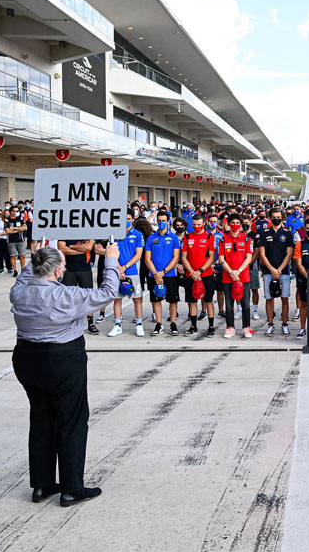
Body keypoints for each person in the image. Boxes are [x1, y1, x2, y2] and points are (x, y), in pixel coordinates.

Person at [10, 243, 120, 507]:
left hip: (27, 358)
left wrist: (35, 257)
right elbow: (108, 292)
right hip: (62, 358)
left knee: (41, 419)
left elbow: (25, 277)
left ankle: (42, 483)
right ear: (59, 271)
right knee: (71, 421)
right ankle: (72, 488)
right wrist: (111, 261)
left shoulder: (19, 292)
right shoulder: (67, 294)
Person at [144, 210, 182, 337]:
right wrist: (156, 273)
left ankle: (173, 324)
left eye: (163, 221)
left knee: (173, 301)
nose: (161, 223)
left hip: (170, 274)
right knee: (156, 300)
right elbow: (147, 259)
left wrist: (164, 272)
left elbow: (176, 257)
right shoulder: (151, 238)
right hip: (154, 275)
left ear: (168, 221)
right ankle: (159, 324)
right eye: (159, 220)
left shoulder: (174, 237)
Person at [258, 208, 295, 337]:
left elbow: (289, 254)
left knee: (285, 299)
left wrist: (279, 270)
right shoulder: (264, 233)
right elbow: (262, 254)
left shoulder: (287, 233)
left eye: (278, 217)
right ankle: (270, 324)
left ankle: (285, 324)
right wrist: (272, 269)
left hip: (283, 272)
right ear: (270, 218)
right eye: (273, 217)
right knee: (269, 299)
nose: (276, 219)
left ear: (282, 218)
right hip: (268, 272)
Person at [109, 214, 145, 338]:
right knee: (117, 299)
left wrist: (125, 267)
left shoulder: (138, 234)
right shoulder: (114, 234)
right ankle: (117, 325)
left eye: (128, 218)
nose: (126, 221)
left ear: (133, 220)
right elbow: (111, 251)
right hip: (117, 271)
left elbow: (138, 254)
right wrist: (119, 268)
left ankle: (139, 324)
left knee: (137, 299)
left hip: (133, 271)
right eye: (124, 218)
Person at [181, 213, 217, 337]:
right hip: (190, 275)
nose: (197, 227)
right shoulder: (187, 237)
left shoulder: (210, 237)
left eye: (199, 224)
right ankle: (193, 326)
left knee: (208, 300)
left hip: (206, 274)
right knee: (192, 302)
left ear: (204, 223)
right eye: (194, 225)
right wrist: (192, 272)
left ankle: (211, 326)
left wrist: (200, 271)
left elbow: (211, 257)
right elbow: (184, 257)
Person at [220, 214, 254, 338]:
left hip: (243, 276)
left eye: (237, 223)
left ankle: (246, 327)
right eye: (232, 223)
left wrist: (238, 271)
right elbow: (221, 259)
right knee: (229, 305)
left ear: (241, 224)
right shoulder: (223, 239)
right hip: (228, 277)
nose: (235, 225)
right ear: (229, 224)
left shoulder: (247, 239)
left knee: (245, 304)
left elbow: (249, 257)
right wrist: (231, 272)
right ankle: (230, 327)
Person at [6, 207, 29, 275]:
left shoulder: (20, 219)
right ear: (11, 212)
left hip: (20, 240)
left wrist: (14, 228)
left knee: (22, 255)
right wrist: (19, 229)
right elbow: (8, 231)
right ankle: (15, 270)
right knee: (13, 256)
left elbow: (25, 228)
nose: (16, 212)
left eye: (17, 211)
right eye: (14, 211)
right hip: (11, 241)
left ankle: (23, 269)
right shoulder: (7, 220)